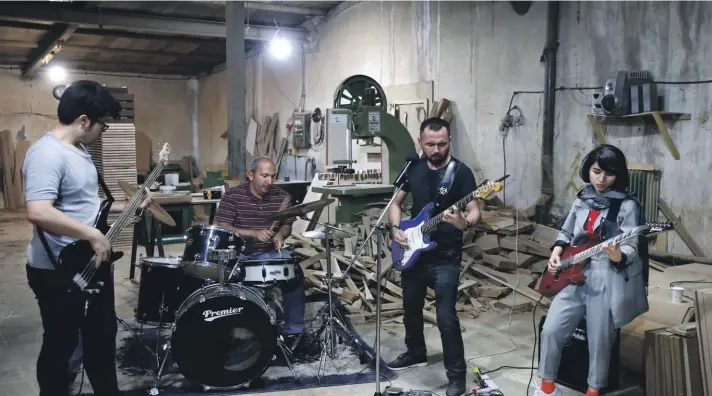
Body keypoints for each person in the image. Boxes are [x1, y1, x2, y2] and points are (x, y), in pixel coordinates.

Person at [23, 80, 153, 396]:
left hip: (90, 263)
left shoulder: (78, 151)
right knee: (61, 344)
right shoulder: (46, 154)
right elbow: (38, 210)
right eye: (102, 126)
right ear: (84, 120)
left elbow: (86, 209)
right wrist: (92, 234)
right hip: (58, 271)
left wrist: (130, 206)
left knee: (101, 339)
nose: (102, 132)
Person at [535, 144, 648, 396]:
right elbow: (566, 231)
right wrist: (556, 251)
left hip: (605, 277)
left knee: (599, 343)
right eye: (596, 171)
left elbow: (631, 247)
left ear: (618, 175)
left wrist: (618, 255)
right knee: (551, 329)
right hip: (573, 275)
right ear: (589, 170)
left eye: (609, 174)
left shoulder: (627, 206)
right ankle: (546, 388)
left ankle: (593, 391)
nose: (601, 179)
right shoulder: (582, 198)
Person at [387, 117, 481, 396]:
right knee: (410, 308)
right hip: (415, 249)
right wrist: (395, 228)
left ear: (449, 141)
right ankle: (416, 352)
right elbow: (396, 203)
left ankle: (456, 376)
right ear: (421, 143)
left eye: (442, 143)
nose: (436, 149)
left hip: (446, 255)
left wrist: (462, 223)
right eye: (430, 144)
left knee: (446, 316)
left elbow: (475, 210)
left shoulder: (461, 172)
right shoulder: (413, 168)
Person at [214, 156, 315, 357]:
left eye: (273, 176)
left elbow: (287, 223)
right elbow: (221, 226)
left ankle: (293, 332)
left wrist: (280, 234)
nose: (270, 181)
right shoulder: (233, 196)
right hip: (240, 254)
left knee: (294, 274)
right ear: (251, 175)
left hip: (269, 252)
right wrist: (253, 233)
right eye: (265, 176)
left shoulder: (281, 196)